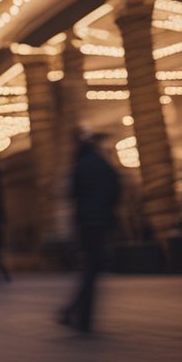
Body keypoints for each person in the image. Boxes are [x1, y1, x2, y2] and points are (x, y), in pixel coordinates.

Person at [61, 132, 121, 332]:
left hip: (84, 224)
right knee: (92, 270)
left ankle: (77, 313)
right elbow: (116, 188)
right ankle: (78, 314)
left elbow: (71, 193)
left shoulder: (79, 165)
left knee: (90, 268)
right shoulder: (104, 164)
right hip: (101, 222)